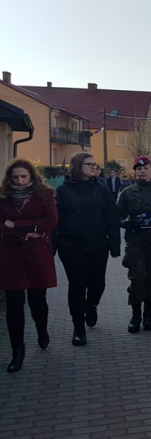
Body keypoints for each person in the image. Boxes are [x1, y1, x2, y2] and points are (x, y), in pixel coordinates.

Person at [56, 152, 121, 346]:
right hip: (71, 245)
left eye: (95, 164)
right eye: (89, 164)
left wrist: (115, 245)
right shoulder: (62, 190)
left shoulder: (101, 190)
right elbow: (56, 221)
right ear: (77, 166)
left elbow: (111, 218)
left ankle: (92, 305)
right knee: (76, 286)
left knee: (97, 283)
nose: (94, 167)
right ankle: (78, 328)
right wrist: (53, 246)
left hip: (97, 244)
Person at [0, 159, 57, 373]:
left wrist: (16, 225)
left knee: (37, 300)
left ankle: (42, 330)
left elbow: (50, 221)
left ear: (31, 176)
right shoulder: (3, 197)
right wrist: (28, 232)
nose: (19, 180)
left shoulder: (45, 194)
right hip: (10, 256)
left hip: (37, 255)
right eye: (15, 177)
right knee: (14, 305)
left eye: (23, 176)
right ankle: (17, 351)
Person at [116, 156, 151, 333]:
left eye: (146, 168)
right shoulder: (127, 192)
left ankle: (148, 315)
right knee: (137, 279)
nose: (142, 171)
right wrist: (126, 223)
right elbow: (117, 215)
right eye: (139, 169)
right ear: (135, 171)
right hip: (136, 242)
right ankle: (135, 316)